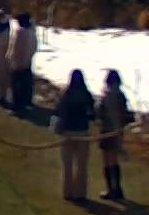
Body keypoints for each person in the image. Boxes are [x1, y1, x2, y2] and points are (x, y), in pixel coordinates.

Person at [55, 69, 97, 201]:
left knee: (67, 165)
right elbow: (92, 113)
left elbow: (59, 112)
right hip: (82, 132)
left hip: (67, 133)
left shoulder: (66, 94)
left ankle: (67, 192)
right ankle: (80, 193)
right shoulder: (86, 95)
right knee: (82, 165)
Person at [96, 69, 132, 200]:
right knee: (114, 160)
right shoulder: (121, 95)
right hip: (118, 130)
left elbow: (102, 113)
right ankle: (117, 189)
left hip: (108, 131)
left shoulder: (108, 95)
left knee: (108, 161)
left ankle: (112, 189)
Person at [8, 12, 38, 115]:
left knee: (16, 85)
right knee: (26, 84)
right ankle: (26, 102)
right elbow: (34, 47)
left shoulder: (21, 33)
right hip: (27, 62)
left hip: (19, 63)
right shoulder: (32, 32)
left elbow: (16, 49)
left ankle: (18, 106)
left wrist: (13, 60)